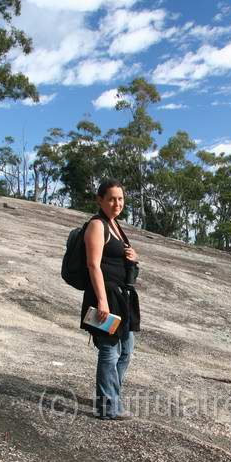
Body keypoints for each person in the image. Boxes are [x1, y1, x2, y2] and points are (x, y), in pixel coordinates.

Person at [80, 179, 140, 421]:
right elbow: (93, 265)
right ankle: (108, 407)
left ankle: (109, 396)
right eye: (112, 199)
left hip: (121, 297)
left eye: (121, 199)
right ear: (100, 200)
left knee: (126, 349)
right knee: (109, 350)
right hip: (105, 297)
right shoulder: (97, 225)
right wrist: (102, 301)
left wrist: (133, 257)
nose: (117, 203)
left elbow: (116, 258)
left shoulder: (114, 225)